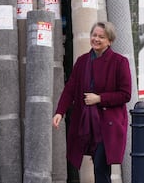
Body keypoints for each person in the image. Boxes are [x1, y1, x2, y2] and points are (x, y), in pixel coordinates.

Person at [52, 21, 132, 183]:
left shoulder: (119, 62)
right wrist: (60, 111)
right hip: (86, 123)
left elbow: (125, 94)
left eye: (101, 37)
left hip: (108, 125)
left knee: (101, 169)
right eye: (94, 35)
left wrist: (100, 98)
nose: (96, 39)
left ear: (109, 41)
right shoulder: (82, 61)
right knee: (97, 166)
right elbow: (70, 89)